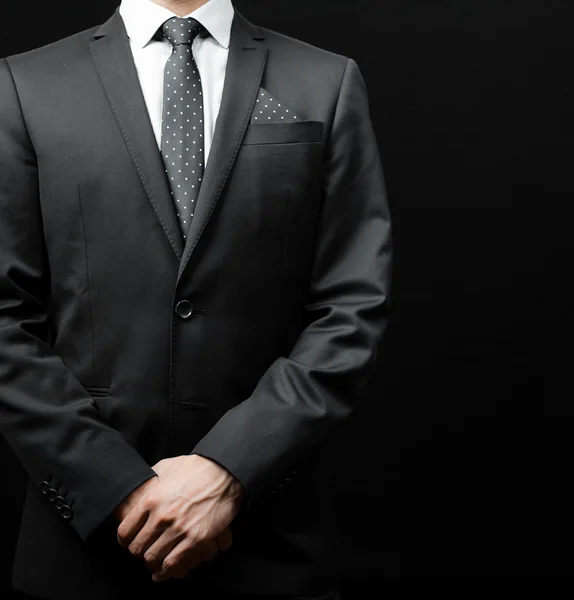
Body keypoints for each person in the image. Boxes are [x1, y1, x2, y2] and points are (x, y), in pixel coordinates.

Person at [0, 0, 392, 598]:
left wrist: (230, 470)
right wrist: (117, 487)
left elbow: (352, 305)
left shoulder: (326, 80)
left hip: (270, 542)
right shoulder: (23, 85)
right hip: (82, 549)